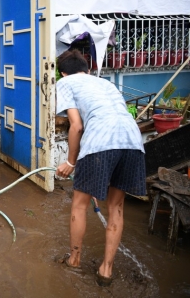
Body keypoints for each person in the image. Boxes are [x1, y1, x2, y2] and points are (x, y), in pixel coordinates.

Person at [54, 50, 146, 287]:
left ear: (63, 71)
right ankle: (106, 269)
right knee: (116, 207)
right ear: (86, 68)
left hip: (100, 141)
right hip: (133, 141)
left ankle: (74, 259)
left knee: (79, 204)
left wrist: (71, 162)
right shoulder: (104, 83)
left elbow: (76, 126)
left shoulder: (65, 81)